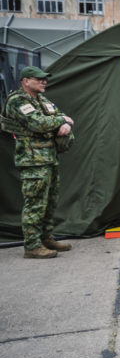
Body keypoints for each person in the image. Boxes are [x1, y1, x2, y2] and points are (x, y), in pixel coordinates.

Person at [2, 66, 75, 259]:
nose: (44, 82)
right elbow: (38, 123)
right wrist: (62, 120)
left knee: (50, 202)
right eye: (39, 79)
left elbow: (59, 120)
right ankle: (32, 245)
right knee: (35, 203)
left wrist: (64, 124)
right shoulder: (17, 101)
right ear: (25, 81)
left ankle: (46, 238)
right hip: (32, 161)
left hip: (49, 158)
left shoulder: (42, 100)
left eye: (45, 79)